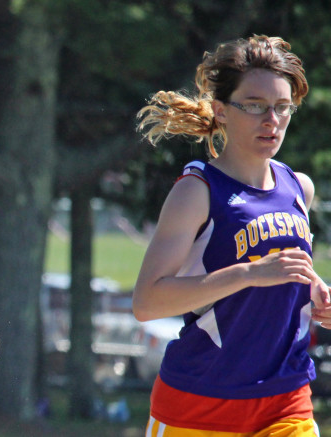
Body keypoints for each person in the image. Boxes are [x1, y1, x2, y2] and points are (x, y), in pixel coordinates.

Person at [134, 35, 331, 435]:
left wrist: (317, 290)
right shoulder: (197, 191)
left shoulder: (299, 188)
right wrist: (247, 274)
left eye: (282, 108)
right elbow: (147, 302)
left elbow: (285, 267)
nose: (271, 120)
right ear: (221, 111)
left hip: (285, 396)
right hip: (199, 403)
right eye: (255, 106)